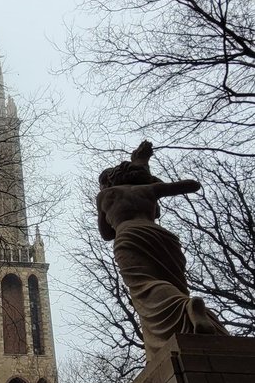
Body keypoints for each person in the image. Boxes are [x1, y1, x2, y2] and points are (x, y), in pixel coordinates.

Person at [97, 141, 227, 360]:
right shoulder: (148, 189)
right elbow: (192, 185)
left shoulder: (106, 196)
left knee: (146, 285)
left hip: (130, 236)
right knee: (176, 284)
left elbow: (106, 233)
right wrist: (145, 170)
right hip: (164, 238)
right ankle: (191, 317)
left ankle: (185, 307)